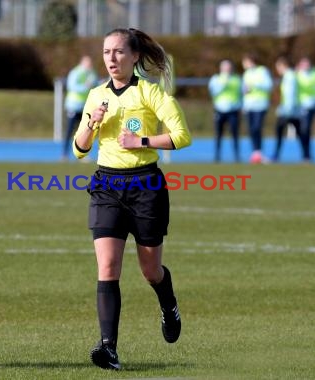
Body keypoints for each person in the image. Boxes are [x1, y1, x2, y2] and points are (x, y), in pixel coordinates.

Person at [72, 28, 191, 371]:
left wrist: (142, 142)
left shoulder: (152, 94)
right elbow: (78, 150)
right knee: (108, 267)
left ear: (135, 56)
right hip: (107, 186)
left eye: (119, 52)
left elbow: (182, 137)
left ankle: (168, 305)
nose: (111, 58)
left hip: (146, 187)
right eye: (106, 52)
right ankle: (108, 348)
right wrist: (92, 124)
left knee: (150, 271)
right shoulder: (96, 95)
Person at [272, 56, 310, 162]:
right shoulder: (290, 76)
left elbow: (290, 94)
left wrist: (285, 109)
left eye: (277, 67)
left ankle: (276, 155)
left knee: (279, 132)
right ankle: (306, 155)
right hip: (293, 110)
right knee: (299, 133)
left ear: (282, 66)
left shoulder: (289, 77)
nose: (277, 70)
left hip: (289, 111)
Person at [63, 55, 98, 160]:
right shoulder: (75, 73)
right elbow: (71, 86)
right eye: (87, 62)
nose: (89, 65)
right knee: (69, 131)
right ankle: (64, 154)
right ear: (82, 63)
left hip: (85, 107)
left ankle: (84, 155)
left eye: (90, 63)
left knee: (85, 130)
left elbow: (95, 85)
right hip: (73, 106)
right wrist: (85, 87)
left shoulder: (92, 73)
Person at [208, 59, 242, 162]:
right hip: (220, 110)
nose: (227, 68)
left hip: (233, 111)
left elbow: (241, 94)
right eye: (225, 66)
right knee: (218, 134)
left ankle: (237, 156)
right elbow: (213, 92)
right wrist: (223, 83)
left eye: (228, 66)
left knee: (235, 134)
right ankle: (217, 156)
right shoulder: (216, 79)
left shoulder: (237, 79)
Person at [241, 53, 273, 164]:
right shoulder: (246, 74)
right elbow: (245, 90)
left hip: (260, 104)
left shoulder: (262, 71)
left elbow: (268, 85)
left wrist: (254, 85)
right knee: (251, 129)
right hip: (249, 105)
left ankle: (259, 152)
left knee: (257, 127)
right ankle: (255, 153)